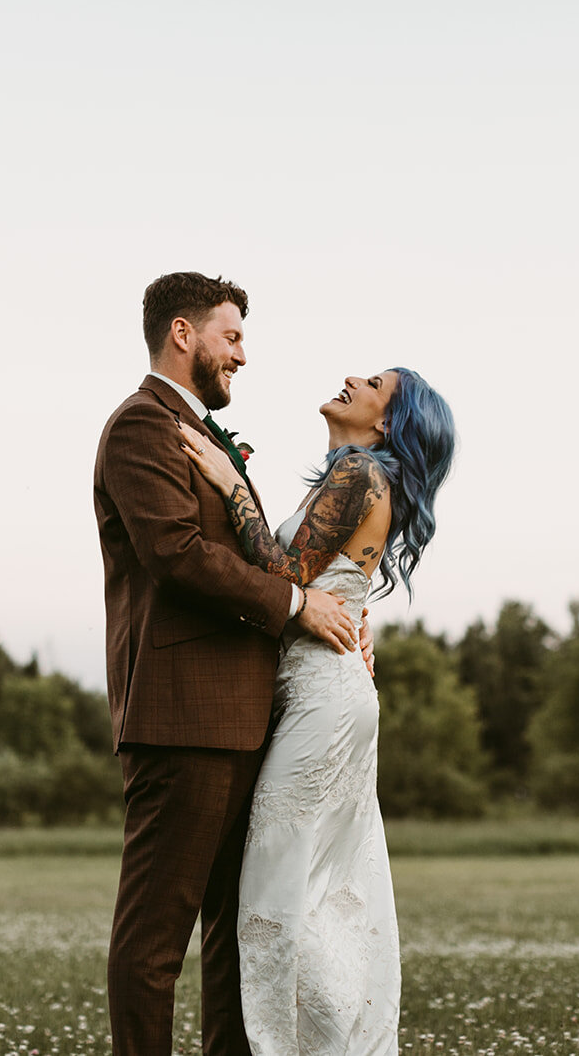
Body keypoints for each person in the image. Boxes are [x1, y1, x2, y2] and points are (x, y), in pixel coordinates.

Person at [94, 271, 370, 1056]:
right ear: (182, 333)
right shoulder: (139, 428)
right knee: (154, 941)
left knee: (234, 935)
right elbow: (177, 555)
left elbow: (270, 556)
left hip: (246, 719)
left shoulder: (206, 434)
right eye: (232, 336)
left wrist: (338, 609)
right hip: (182, 718)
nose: (242, 356)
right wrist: (296, 608)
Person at [177, 366, 457, 1055]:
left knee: (279, 893)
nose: (351, 378)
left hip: (324, 702)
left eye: (373, 383)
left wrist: (230, 482)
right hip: (330, 693)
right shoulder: (360, 477)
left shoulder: (360, 472)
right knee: (325, 896)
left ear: (388, 422)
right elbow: (330, 585)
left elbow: (284, 579)